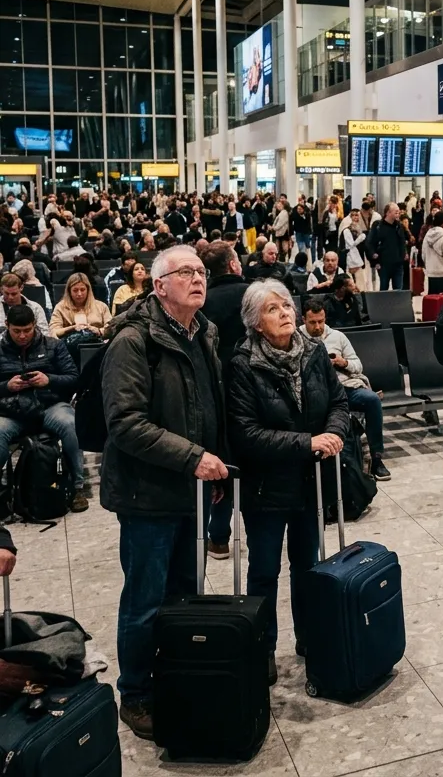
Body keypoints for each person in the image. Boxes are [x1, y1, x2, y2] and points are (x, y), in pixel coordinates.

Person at [101, 246, 229, 739]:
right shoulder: (133, 342)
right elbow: (126, 424)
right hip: (147, 494)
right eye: (185, 273)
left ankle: (176, 674)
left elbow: (207, 404)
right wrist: (192, 457)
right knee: (146, 600)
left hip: (191, 489)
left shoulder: (206, 332)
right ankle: (134, 694)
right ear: (159, 286)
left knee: (185, 595)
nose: (198, 279)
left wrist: (214, 462)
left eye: (200, 271)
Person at [227, 280, 349, 684]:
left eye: (285, 305)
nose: (284, 313)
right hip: (266, 486)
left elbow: (338, 402)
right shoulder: (243, 363)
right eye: (272, 309)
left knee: (307, 564)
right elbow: (245, 433)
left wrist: (332, 434)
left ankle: (309, 636)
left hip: (308, 480)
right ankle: (262, 647)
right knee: (263, 570)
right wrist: (306, 442)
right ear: (256, 324)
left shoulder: (313, 353)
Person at [0, 303, 87, 512]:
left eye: (27, 330)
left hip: (49, 405)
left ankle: (77, 487)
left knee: (70, 425)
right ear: (6, 326)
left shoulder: (53, 346)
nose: (22, 336)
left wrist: (49, 380)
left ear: (35, 326)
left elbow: (75, 379)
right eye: (17, 331)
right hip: (12, 411)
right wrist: (6, 386)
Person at [301, 298, 390, 481]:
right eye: (313, 322)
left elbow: (358, 365)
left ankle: (376, 457)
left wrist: (343, 362)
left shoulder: (337, 336)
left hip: (343, 388)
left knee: (372, 400)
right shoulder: (296, 339)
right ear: (303, 319)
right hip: (312, 392)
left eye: (321, 321)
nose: (318, 327)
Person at [200, 240, 249, 558]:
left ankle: (217, 536)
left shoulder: (199, 300)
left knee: (218, 463)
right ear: (233, 265)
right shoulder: (253, 294)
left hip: (210, 390)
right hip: (251, 388)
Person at [50, 272, 112, 339]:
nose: (79, 294)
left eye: (82, 290)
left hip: (98, 342)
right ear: (69, 291)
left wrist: (99, 330)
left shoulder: (102, 306)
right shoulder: (60, 307)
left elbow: (111, 328)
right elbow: (53, 331)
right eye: (75, 290)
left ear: (88, 290)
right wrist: (72, 328)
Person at [366, 203, 408, 291]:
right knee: (384, 290)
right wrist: (373, 255)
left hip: (398, 263)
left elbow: (402, 242)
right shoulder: (378, 226)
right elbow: (370, 242)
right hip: (384, 263)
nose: (398, 214)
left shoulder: (398, 226)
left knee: (398, 291)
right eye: (396, 212)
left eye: (398, 212)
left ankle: (397, 304)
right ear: (388, 213)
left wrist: (404, 253)